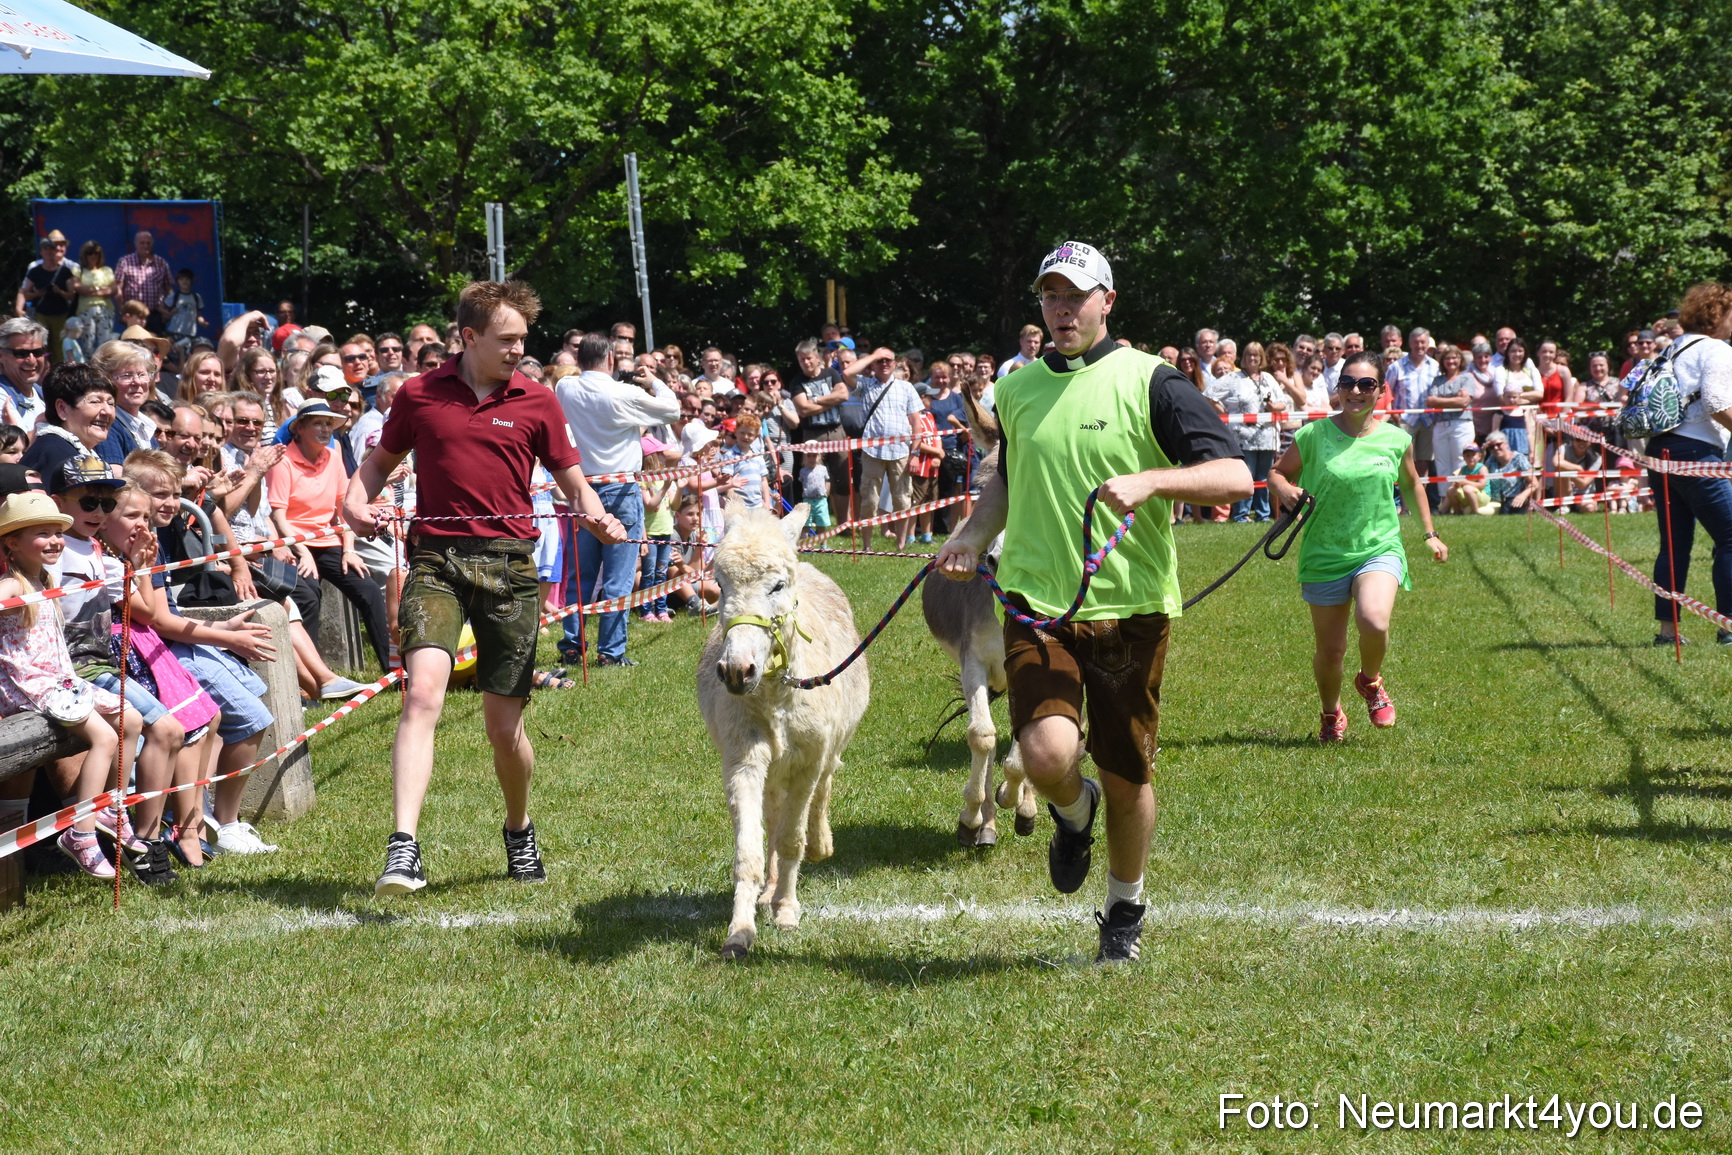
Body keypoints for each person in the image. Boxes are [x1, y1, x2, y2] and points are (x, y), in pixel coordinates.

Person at [935, 240, 1250, 964]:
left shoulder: (1153, 381)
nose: (1062, 309)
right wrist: (973, 533)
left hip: (1129, 607)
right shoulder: (1015, 390)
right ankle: (1074, 817)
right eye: (1050, 296)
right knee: (1046, 756)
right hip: (1035, 603)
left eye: (1076, 295)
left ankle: (1124, 905)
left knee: (1126, 770)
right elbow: (1008, 481)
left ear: (1107, 301)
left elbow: (1234, 474)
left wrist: (1153, 482)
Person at [342, 280, 627, 896]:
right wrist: (354, 500)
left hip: (510, 567)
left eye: (524, 339)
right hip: (435, 560)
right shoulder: (419, 394)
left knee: (504, 727)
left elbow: (575, 484)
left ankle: (519, 828)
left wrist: (598, 514)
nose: (519, 350)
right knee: (421, 698)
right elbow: (375, 463)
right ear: (468, 338)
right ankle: (404, 848)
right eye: (507, 339)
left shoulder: (538, 400)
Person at [1268, 350, 1447, 744]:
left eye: (1366, 384)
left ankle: (1370, 681)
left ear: (1381, 391)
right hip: (1324, 552)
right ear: (1338, 388)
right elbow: (1277, 472)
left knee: (1374, 620)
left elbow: (1414, 483)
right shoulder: (1313, 435)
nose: (1356, 391)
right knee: (1330, 653)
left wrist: (1429, 534)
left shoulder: (1397, 439)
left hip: (1378, 546)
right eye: (1348, 383)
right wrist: (1284, 488)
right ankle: (1331, 714)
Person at [0, 490, 137, 878]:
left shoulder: (44, 580)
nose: (55, 540)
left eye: (56, 532)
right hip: (34, 687)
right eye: (42, 533)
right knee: (106, 739)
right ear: (12, 542)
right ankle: (81, 830)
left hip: (62, 681)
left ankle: (110, 808)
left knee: (131, 720)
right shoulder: (13, 585)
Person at [554, 332, 679, 667]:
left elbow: (574, 383)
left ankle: (571, 644)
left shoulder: (565, 389)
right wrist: (653, 381)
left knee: (579, 575)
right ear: (610, 359)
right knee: (618, 577)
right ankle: (610, 652)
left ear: (579, 360)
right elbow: (672, 410)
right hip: (622, 490)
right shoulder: (625, 393)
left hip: (581, 490)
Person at [267, 399, 392, 671]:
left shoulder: (333, 458)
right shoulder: (284, 461)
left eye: (328, 424)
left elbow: (343, 508)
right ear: (299, 428)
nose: (325, 429)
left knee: (368, 589)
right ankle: (312, 680)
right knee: (309, 596)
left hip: (329, 541)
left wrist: (349, 550)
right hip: (294, 543)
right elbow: (278, 515)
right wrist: (302, 552)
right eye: (318, 423)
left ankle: (392, 671)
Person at [1644, 282, 1732, 648]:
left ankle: (1668, 633)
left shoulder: (1673, 348)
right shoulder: (1716, 349)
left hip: (1659, 451)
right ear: (1718, 314)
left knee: (1674, 544)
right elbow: (1715, 401)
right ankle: (1729, 627)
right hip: (1695, 455)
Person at [841, 345, 924, 549]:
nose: (884, 363)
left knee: (902, 500)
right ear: (874, 364)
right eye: (880, 361)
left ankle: (901, 544)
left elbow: (916, 423)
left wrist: (915, 453)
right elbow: (847, 372)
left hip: (901, 451)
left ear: (895, 364)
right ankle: (867, 546)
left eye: (888, 360)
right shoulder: (866, 385)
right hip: (872, 452)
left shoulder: (906, 387)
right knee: (869, 499)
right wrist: (873, 356)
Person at [1206, 341, 1286, 521]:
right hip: (1242, 437)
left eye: (1256, 355)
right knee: (1246, 477)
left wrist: (1274, 406)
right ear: (1244, 357)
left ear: (1261, 358)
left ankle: (1262, 514)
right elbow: (1209, 394)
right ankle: (1241, 514)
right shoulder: (1234, 378)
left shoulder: (1268, 378)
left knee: (1264, 478)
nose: (1252, 358)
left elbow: (1283, 403)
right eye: (1249, 354)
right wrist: (1224, 413)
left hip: (1267, 436)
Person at [19, 363, 114, 481]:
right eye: (95, 401)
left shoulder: (68, 451)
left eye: (111, 403)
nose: (108, 411)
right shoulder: (55, 454)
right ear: (62, 408)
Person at [21, 232, 76, 363]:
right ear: (41, 251)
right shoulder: (35, 271)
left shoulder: (65, 271)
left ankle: (59, 371)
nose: (49, 251)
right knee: (41, 344)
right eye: (45, 248)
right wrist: (37, 294)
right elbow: (25, 293)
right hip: (41, 314)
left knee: (60, 346)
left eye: (51, 248)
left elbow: (72, 294)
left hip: (60, 314)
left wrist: (60, 291)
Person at [114, 231, 173, 335]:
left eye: (148, 243)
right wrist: (121, 311)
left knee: (155, 346)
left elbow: (169, 288)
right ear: (135, 243)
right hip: (133, 315)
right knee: (134, 345)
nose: (145, 245)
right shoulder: (125, 262)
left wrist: (167, 310)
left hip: (155, 314)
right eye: (142, 243)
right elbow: (118, 288)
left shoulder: (161, 263)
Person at [0, 316, 49, 432]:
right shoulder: (3, 397)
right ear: (1, 356)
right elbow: (15, 446)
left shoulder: (41, 393)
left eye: (38, 352)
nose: (32, 360)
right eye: (21, 353)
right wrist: (44, 422)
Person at [73, 240, 117, 356]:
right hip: (85, 310)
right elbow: (78, 287)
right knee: (88, 344)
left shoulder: (106, 270)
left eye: (96, 253)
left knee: (106, 343)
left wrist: (91, 290)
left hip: (105, 309)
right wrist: (101, 289)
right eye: (89, 253)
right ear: (84, 255)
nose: (93, 256)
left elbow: (112, 289)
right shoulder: (79, 270)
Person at [1482, 431, 1534, 513]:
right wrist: (1483, 453)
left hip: (1514, 501)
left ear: (1507, 444)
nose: (1495, 448)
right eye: (1492, 446)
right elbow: (1480, 475)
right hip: (1494, 502)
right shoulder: (1490, 460)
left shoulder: (1519, 459)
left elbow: (1534, 484)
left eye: (1498, 444)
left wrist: (1523, 495)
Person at [1445, 443, 1495, 515]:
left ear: (1479, 456)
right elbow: (1456, 484)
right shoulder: (1463, 469)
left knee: (1467, 488)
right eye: (1468, 455)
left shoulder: (1482, 468)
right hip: (1468, 495)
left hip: (1483, 496)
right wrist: (1457, 485)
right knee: (1451, 490)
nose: (1470, 458)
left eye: (1473, 455)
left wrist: (1465, 482)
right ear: (1464, 457)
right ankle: (1458, 512)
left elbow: (1481, 485)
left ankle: (1475, 513)